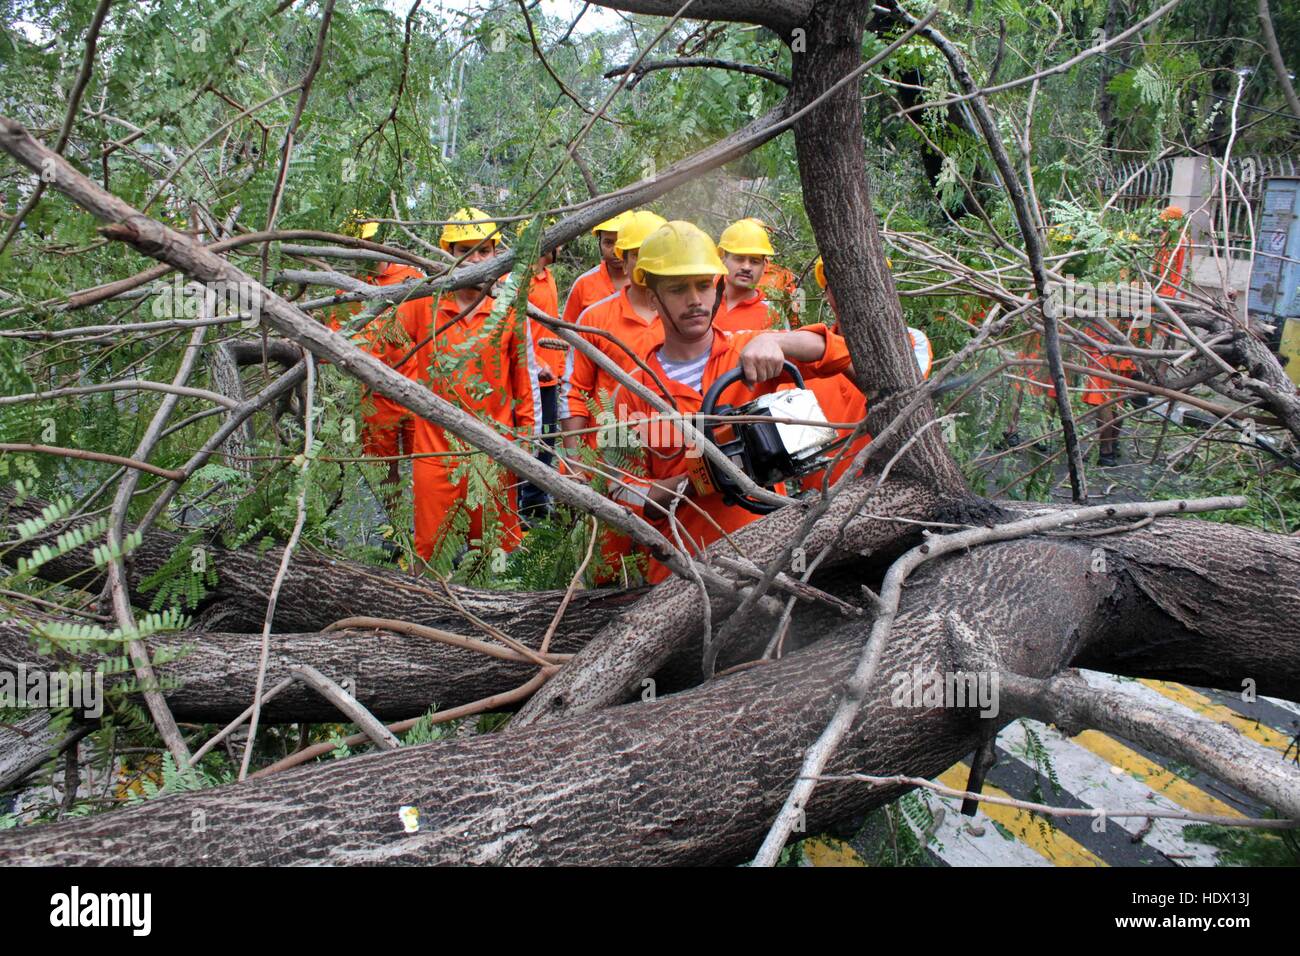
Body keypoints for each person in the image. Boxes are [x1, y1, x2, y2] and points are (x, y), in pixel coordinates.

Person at [605, 222, 853, 583]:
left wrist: (779, 343)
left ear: (717, 287)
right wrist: (699, 478)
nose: (694, 299)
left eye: (704, 285)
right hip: (681, 570)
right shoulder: (631, 390)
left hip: (764, 554)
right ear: (654, 297)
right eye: (677, 289)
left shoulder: (748, 354)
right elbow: (621, 491)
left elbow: (844, 354)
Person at [407, 207, 538, 563]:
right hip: (435, 456)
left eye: (483, 250)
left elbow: (525, 384)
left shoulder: (511, 311)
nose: (476, 260)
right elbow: (387, 357)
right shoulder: (423, 305)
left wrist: (525, 445)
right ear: (448, 254)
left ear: (496, 253)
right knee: (430, 554)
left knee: (497, 552)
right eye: (465, 250)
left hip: (494, 453)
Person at [800, 256, 931, 488]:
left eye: (860, 281)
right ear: (827, 292)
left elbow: (901, 396)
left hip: (882, 490)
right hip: (816, 495)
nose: (849, 289)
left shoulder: (910, 342)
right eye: (837, 282)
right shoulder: (809, 351)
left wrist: (833, 356)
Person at [327, 210, 425, 489]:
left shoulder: (410, 277)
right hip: (374, 396)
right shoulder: (347, 290)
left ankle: (424, 522)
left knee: (427, 462)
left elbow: (431, 327)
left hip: (414, 388)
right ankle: (394, 526)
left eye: (368, 242)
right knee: (384, 470)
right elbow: (336, 339)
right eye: (355, 247)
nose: (363, 252)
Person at [558, 209, 667, 452]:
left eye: (655, 255)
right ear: (625, 262)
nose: (648, 265)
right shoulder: (595, 318)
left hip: (668, 455)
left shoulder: (685, 322)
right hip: (605, 457)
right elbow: (575, 391)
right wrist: (575, 460)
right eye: (638, 256)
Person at [516, 219, 564, 524]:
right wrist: (534, 365)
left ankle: (536, 503)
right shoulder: (519, 280)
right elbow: (513, 330)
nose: (562, 245)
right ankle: (525, 506)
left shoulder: (547, 277)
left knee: (548, 439)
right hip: (530, 378)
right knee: (529, 440)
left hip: (552, 376)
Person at [561, 210, 636, 324]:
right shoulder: (584, 284)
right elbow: (567, 330)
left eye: (621, 242)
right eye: (608, 243)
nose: (616, 251)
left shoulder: (645, 282)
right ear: (599, 244)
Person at [713, 218, 786, 333]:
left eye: (754, 261)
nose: (746, 267)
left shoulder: (772, 315)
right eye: (739, 259)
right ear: (723, 260)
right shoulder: (704, 302)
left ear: (764, 266)